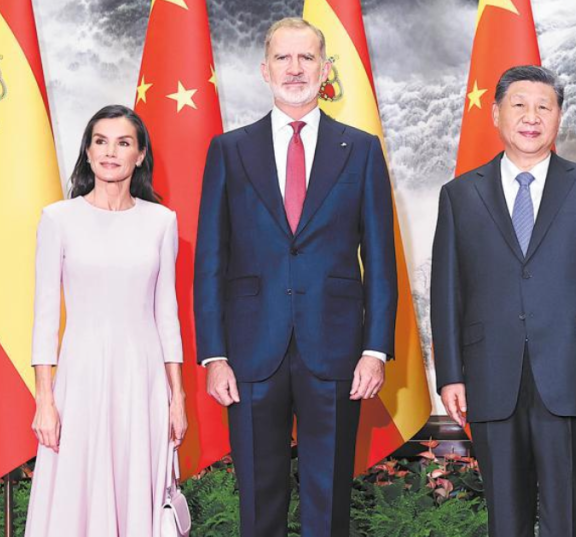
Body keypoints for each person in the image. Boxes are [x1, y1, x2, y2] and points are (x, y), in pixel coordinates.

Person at [193, 17, 397, 537]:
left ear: (325, 69)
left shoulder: (362, 149)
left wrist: (375, 350)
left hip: (337, 350)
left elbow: (380, 258)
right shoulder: (229, 150)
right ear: (265, 69)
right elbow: (211, 260)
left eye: (307, 58)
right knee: (258, 502)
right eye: (283, 58)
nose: (295, 68)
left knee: (328, 503)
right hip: (249, 352)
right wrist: (214, 355)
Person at [430, 65, 576, 537]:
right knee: (506, 520)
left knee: (572, 517)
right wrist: (450, 375)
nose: (532, 117)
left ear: (559, 116)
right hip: (490, 377)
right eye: (519, 105)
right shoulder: (460, 195)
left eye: (544, 107)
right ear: (496, 114)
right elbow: (447, 292)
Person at [25, 104, 187, 536]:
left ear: (140, 154)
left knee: (137, 488)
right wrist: (45, 400)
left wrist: (177, 396)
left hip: (142, 380)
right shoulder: (58, 219)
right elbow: (45, 317)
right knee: (76, 491)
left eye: (123, 142)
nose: (110, 152)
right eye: (101, 141)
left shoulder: (161, 221)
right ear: (88, 151)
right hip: (80, 378)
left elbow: (166, 313)